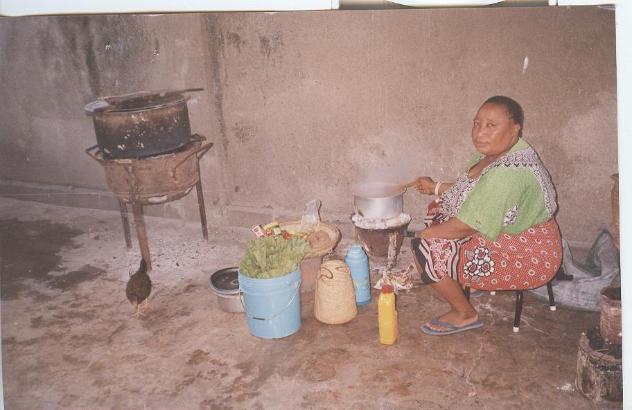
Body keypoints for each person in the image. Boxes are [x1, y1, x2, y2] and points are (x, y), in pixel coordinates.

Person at [411, 95, 562, 335]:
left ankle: (465, 313)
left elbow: (465, 225)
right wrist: (435, 187)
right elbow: (472, 191)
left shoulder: (507, 174)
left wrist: (423, 235)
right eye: (477, 123)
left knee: (426, 248)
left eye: (491, 125)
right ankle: (469, 281)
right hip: (518, 231)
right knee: (438, 209)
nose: (480, 132)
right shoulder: (501, 152)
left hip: (528, 256)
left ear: (515, 129)